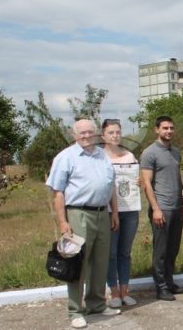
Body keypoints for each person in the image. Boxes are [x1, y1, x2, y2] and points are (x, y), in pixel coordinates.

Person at [46, 119, 121, 329]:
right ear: (74, 135)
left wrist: (114, 212)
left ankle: (96, 304)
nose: (87, 136)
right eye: (82, 133)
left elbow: (110, 186)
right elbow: (58, 192)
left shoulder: (102, 155)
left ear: (96, 134)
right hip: (78, 214)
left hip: (102, 214)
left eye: (90, 132)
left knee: (100, 262)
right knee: (77, 263)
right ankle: (75, 310)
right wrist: (63, 222)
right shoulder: (66, 157)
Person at [141, 116, 183, 301]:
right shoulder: (149, 153)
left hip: (176, 207)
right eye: (165, 128)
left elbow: (178, 180)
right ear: (156, 130)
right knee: (160, 250)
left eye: (171, 128)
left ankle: (169, 281)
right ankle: (160, 287)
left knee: (173, 249)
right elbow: (146, 183)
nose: (169, 131)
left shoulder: (175, 152)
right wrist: (156, 208)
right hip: (162, 208)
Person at [102, 119, 140, 308]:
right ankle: (114, 292)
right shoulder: (99, 157)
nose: (115, 135)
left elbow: (135, 180)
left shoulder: (130, 156)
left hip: (130, 210)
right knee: (111, 253)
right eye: (111, 132)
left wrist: (139, 182)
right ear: (103, 136)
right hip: (108, 212)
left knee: (125, 252)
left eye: (117, 132)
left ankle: (125, 292)